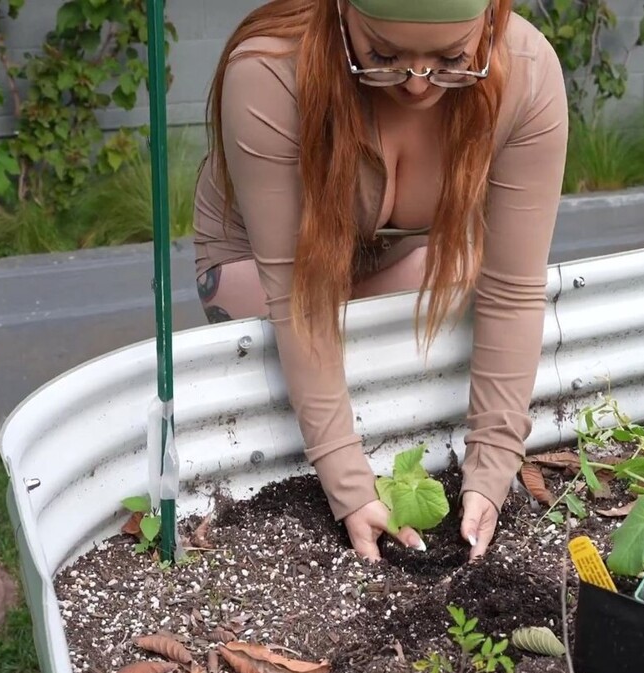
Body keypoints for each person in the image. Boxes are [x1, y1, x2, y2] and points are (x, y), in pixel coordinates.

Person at [192, 0, 568, 563]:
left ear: (490, 17)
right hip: (266, 275)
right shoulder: (270, 73)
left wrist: (493, 465)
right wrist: (347, 483)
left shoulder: (527, 70)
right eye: (384, 57)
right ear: (343, 12)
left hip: (395, 262)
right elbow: (298, 295)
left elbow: (513, 288)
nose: (417, 87)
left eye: (450, 60)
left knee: (458, 274)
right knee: (273, 327)